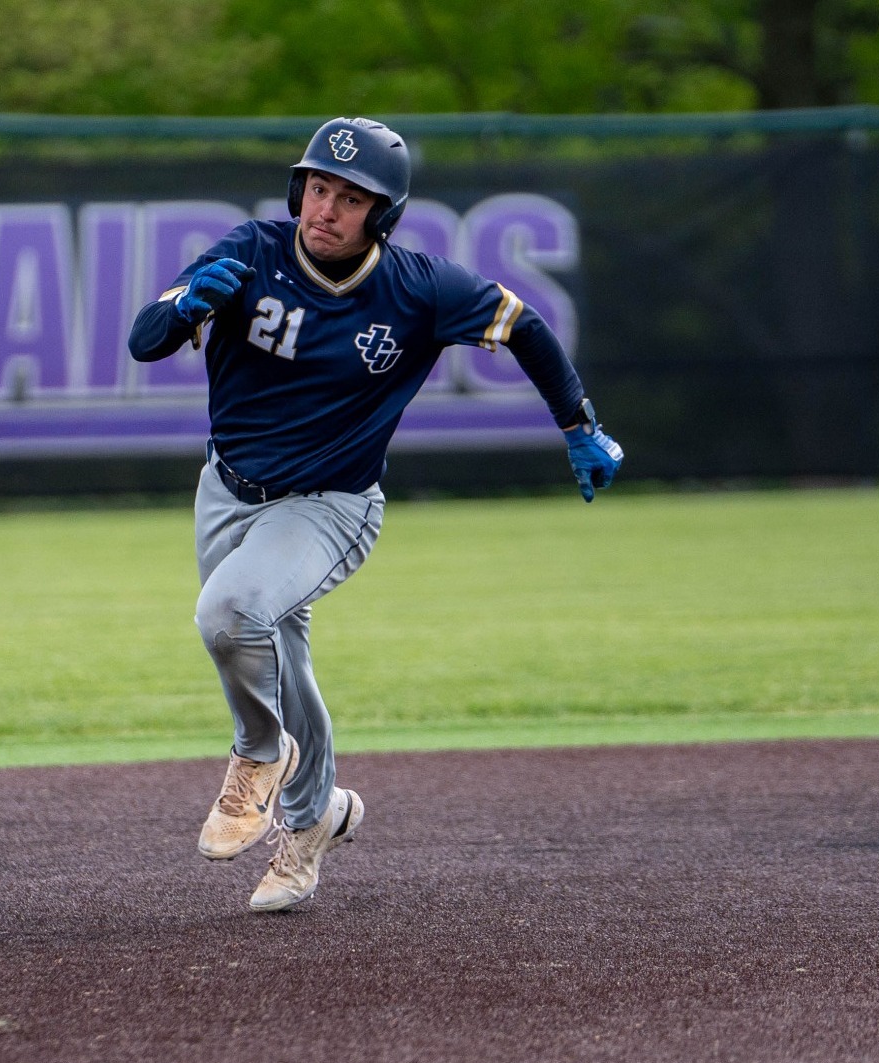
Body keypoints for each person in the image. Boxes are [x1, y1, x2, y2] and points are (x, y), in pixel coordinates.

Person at [128, 117, 624, 911]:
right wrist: (186, 303)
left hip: (331, 502)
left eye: (350, 198)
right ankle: (316, 816)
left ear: (382, 217)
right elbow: (144, 341)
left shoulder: (419, 288)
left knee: (228, 615)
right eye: (318, 187)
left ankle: (257, 754)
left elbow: (523, 326)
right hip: (225, 492)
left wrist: (580, 426)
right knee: (280, 659)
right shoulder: (250, 250)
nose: (325, 208)